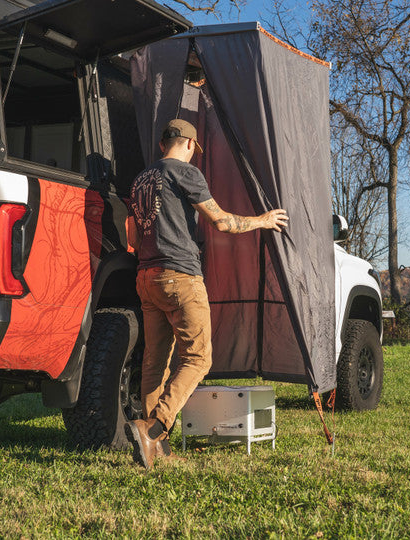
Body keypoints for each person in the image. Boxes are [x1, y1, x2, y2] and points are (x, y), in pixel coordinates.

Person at [124, 118, 289, 468]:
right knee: (199, 358)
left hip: (145, 276)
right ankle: (154, 427)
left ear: (162, 144)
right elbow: (221, 222)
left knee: (156, 362)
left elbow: (134, 239)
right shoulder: (184, 173)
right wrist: (262, 220)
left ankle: (157, 449)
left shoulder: (140, 181)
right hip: (179, 275)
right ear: (188, 144)